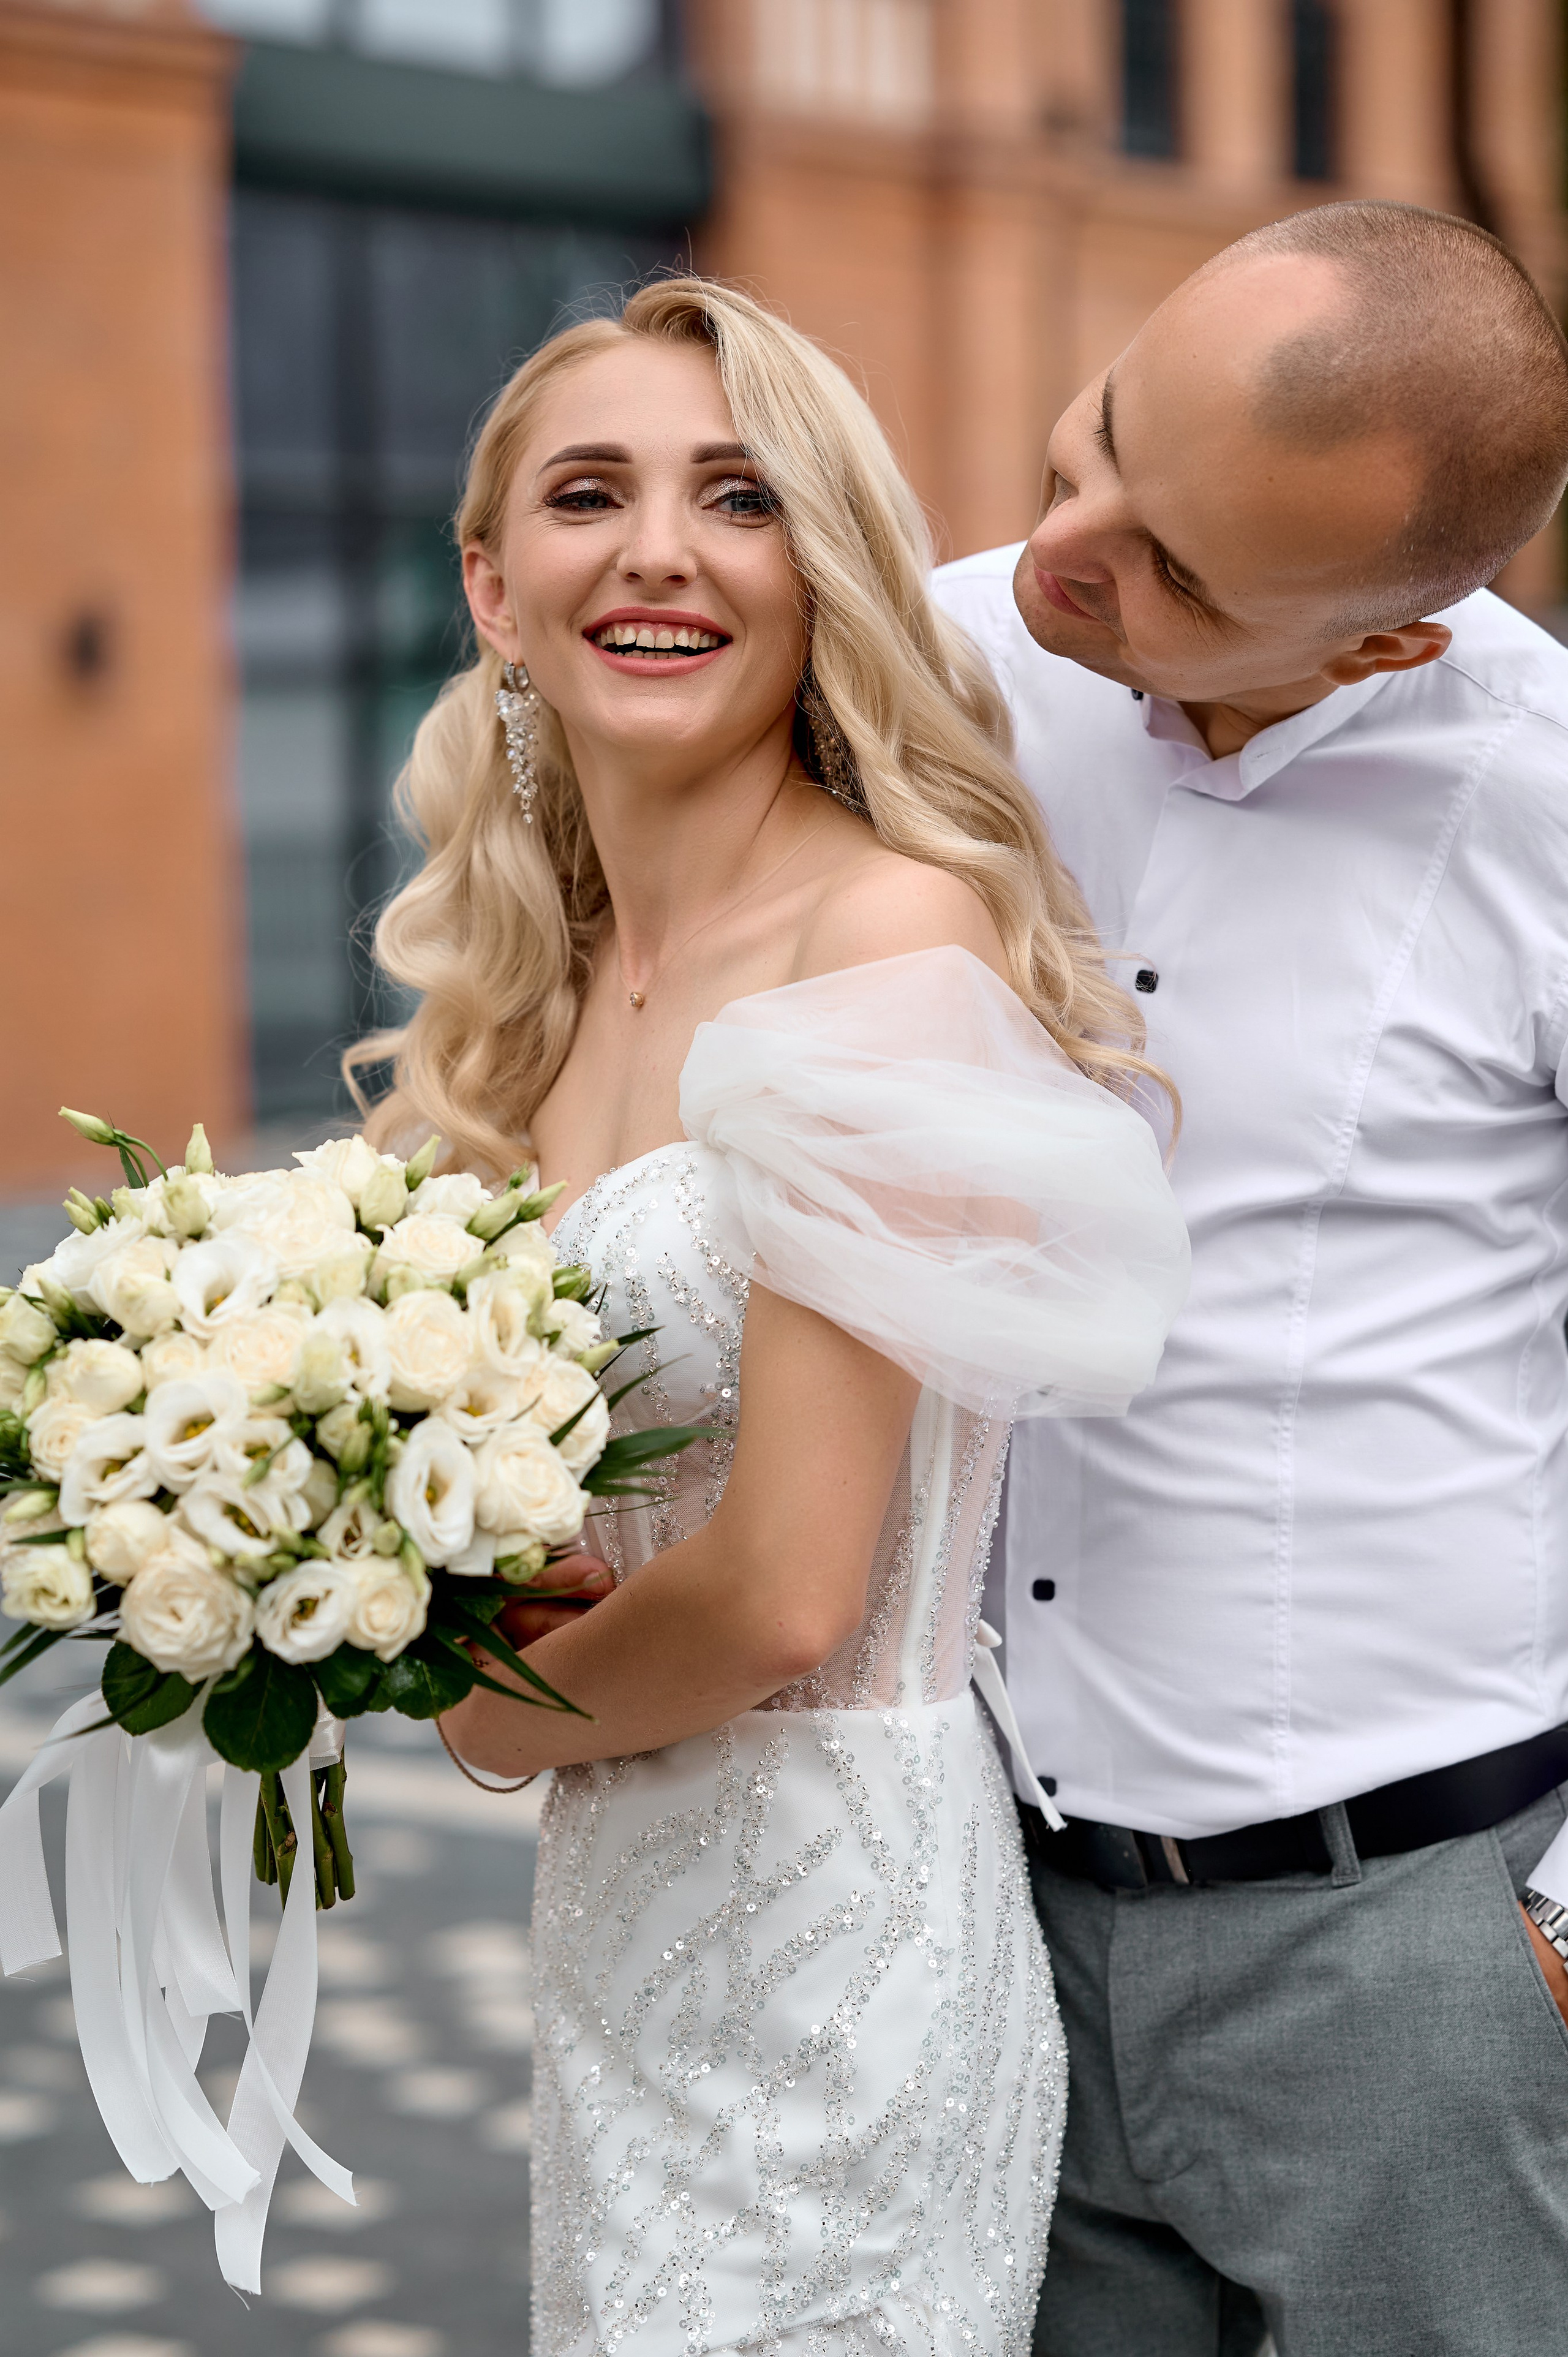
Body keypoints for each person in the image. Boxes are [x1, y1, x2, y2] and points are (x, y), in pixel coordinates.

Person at [349, 278, 1189, 2355]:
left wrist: (471, 1714)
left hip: (843, 1914)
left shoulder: (880, 928)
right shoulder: (535, 1009)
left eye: (738, 497)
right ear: (494, 582)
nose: (659, 549)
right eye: (588, 495)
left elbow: (789, 1591)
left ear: (817, 575)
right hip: (629, 1898)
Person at [932, 201, 1568, 2355]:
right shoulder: (935, 678)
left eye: (1173, 573)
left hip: (1416, 1950)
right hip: (988, 1917)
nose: (1059, 559)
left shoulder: (1550, 816)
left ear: (1393, 638)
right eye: (1093, 442)